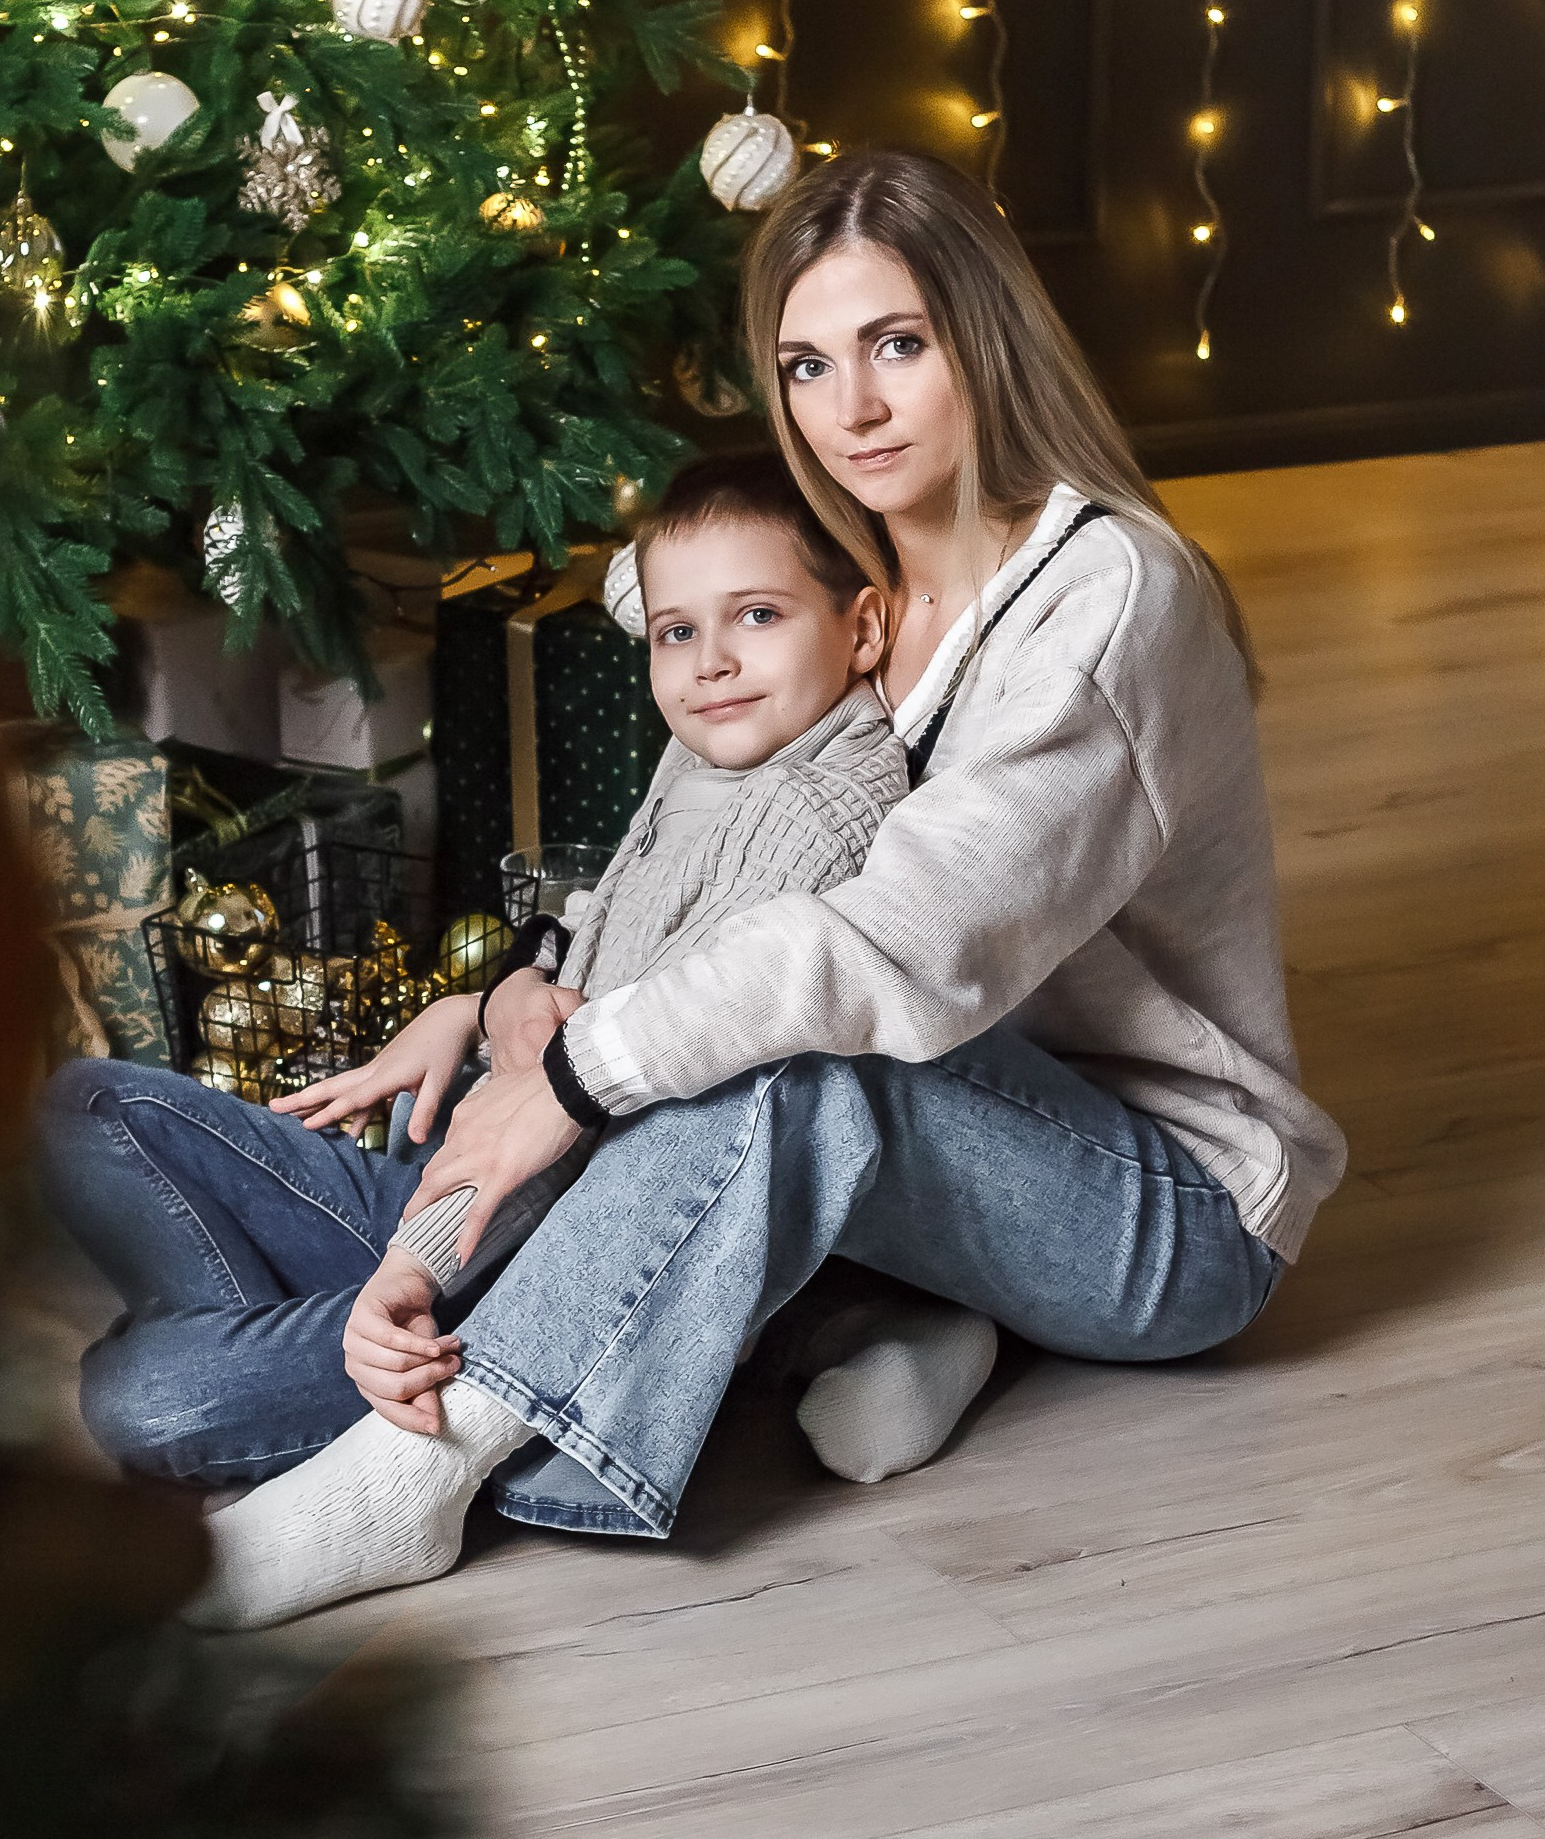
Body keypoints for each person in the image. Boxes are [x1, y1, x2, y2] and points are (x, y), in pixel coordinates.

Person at [183, 145, 1346, 1629]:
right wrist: (506, 993)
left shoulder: (1106, 600)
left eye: (898, 347)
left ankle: (410, 1482)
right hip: (963, 1135)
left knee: (788, 1053)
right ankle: (911, 1315)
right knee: (731, 1022)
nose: (850, 409)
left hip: (1166, 1202)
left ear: (985, 341)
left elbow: (897, 948)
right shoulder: (851, 565)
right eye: (805, 364)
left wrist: (572, 1073)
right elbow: (660, 591)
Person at [40, 450, 924, 1522]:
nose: (708, 663)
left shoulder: (810, 812)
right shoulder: (718, 749)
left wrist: (405, 1271)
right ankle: (344, 1356)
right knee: (80, 1100)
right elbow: (599, 944)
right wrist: (491, 996)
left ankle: (422, 1378)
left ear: (865, 629)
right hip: (458, 1190)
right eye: (675, 632)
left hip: (532, 1254)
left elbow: (607, 1115)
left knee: (138, 1397)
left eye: (756, 616)